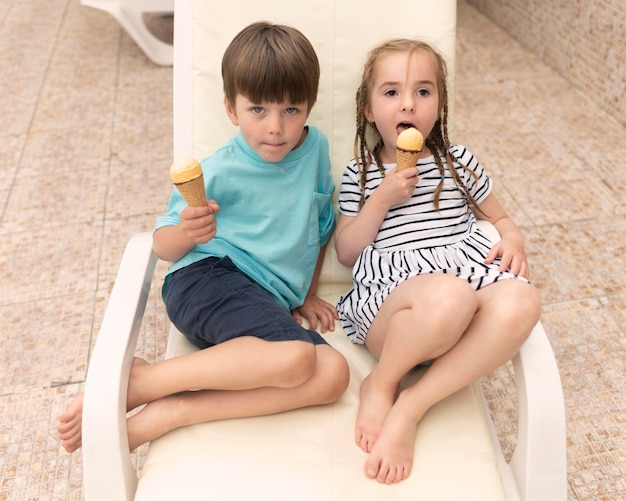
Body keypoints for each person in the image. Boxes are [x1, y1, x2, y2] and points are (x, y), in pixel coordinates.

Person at [58, 21, 349, 454]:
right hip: (207, 278)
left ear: (309, 106)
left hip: (262, 302)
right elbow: (161, 245)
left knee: (332, 375)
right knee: (298, 357)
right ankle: (141, 382)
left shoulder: (316, 149)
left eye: (291, 109)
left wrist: (304, 295)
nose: (275, 127)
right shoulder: (216, 169)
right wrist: (185, 231)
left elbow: (320, 225)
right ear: (232, 109)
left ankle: (174, 411)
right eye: (258, 110)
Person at [334, 38, 541, 484]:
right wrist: (382, 199)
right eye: (391, 92)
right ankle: (384, 380)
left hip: (461, 303)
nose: (407, 103)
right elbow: (347, 251)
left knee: (523, 300)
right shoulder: (362, 173)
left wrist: (514, 239)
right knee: (449, 293)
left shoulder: (457, 163)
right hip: (395, 311)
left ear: (439, 104)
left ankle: (411, 404)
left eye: (422, 92)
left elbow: (500, 217)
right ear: (369, 110)